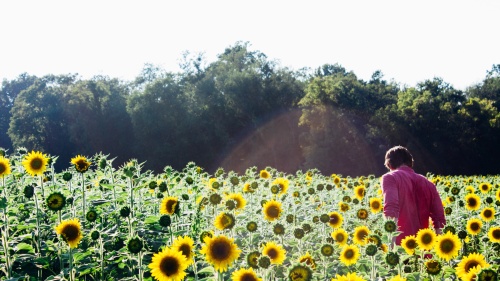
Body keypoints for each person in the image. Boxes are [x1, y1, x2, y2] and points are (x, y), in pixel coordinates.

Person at [381, 146, 446, 245]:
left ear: (389, 165)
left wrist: (391, 245)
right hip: (423, 251)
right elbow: (439, 220)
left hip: (400, 249)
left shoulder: (390, 177)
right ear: (410, 162)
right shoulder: (429, 184)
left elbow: (391, 210)